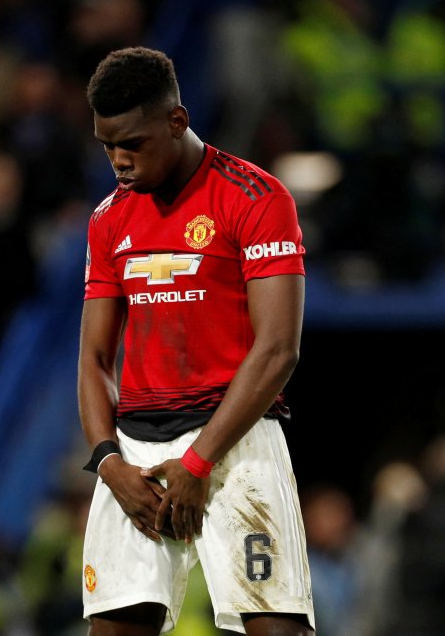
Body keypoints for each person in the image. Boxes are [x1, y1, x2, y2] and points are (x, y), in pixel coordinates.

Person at [77, 47, 315, 636]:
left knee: (277, 630)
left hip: (233, 442)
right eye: (108, 146)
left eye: (132, 143)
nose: (119, 161)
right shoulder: (109, 219)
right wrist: (109, 462)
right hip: (135, 451)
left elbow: (279, 349)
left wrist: (200, 458)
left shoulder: (256, 198)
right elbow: (94, 359)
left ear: (176, 122)